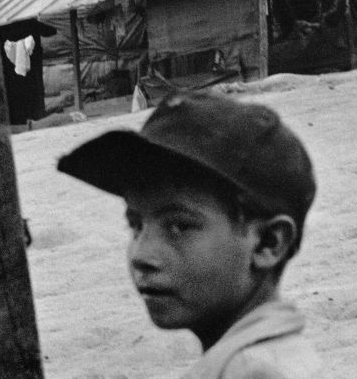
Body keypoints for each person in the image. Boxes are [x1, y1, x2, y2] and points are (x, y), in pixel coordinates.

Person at [56, 92, 320, 378]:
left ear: (268, 243)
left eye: (179, 226)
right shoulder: (256, 357)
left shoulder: (255, 371)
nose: (142, 256)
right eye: (136, 225)